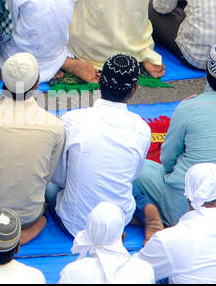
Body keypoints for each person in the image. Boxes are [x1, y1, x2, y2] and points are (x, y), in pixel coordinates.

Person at [135, 41, 216, 227]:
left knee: (135, 166)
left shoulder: (189, 107)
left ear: (207, 75)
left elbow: (168, 158)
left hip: (183, 207)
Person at [46, 54, 151, 236]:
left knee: (49, 186)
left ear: (100, 81)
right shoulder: (141, 128)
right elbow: (132, 175)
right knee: (127, 178)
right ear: (134, 89)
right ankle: (146, 214)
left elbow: (59, 176)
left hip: (76, 225)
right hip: (118, 223)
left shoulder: (73, 120)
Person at [0, 52, 65, 242]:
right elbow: (46, 177)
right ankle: (26, 233)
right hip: (29, 217)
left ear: (3, 78)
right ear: (37, 83)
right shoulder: (55, 126)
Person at [137, 163, 216, 282]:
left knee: (157, 270)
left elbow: (133, 274)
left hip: (167, 250)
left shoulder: (169, 239)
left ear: (187, 196)